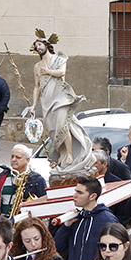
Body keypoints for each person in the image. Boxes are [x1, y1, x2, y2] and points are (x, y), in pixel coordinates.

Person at [29, 31, 96, 178]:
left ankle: (70, 154)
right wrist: (33, 105)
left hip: (60, 97)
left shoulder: (59, 58)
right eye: (36, 46)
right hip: (46, 99)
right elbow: (36, 86)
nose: (38, 47)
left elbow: (61, 73)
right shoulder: (37, 66)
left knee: (62, 125)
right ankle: (62, 153)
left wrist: (48, 71)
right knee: (52, 130)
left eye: (40, 44)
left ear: (46, 45)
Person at [0, 144, 48, 217]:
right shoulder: (1, 177)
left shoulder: (37, 179)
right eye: (12, 156)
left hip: (24, 222)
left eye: (18, 157)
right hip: (2, 222)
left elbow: (45, 200)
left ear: (27, 160)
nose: (13, 159)